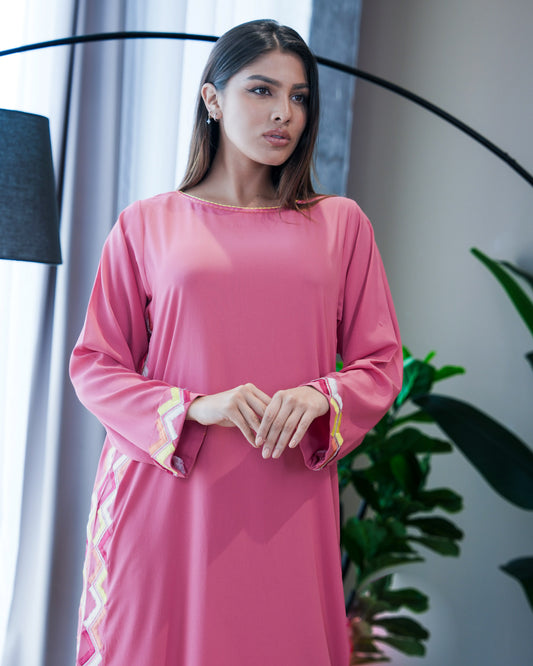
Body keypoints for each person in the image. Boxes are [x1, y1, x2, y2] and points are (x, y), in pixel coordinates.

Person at [70, 19, 402, 666]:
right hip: (167, 497)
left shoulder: (341, 225)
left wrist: (320, 397)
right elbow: (96, 366)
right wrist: (197, 407)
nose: (284, 113)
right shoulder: (146, 225)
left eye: (299, 96)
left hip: (285, 502)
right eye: (261, 90)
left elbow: (381, 363)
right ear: (213, 99)